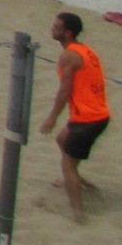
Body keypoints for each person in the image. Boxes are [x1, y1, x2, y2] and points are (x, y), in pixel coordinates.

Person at [38, 11, 109, 220]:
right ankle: (80, 180)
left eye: (57, 26)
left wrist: (52, 117)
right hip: (98, 115)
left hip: (87, 119)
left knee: (67, 164)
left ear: (68, 33)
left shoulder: (68, 55)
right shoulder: (85, 50)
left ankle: (78, 211)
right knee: (62, 140)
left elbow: (64, 91)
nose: (53, 28)